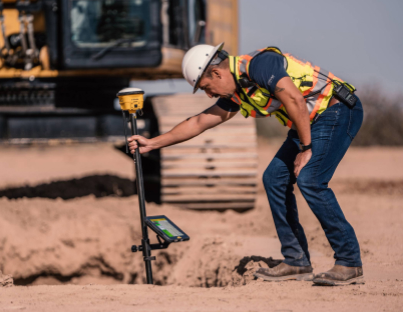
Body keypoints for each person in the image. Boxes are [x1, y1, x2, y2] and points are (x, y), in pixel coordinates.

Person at [128, 42, 364, 286]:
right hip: (309, 122)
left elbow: (294, 99)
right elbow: (199, 122)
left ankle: (349, 261)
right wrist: (153, 143)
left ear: (217, 73)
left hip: (336, 111)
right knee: (274, 178)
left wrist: (306, 149)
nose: (209, 95)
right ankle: (296, 260)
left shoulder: (260, 65)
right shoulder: (237, 93)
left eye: (207, 88)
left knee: (310, 180)